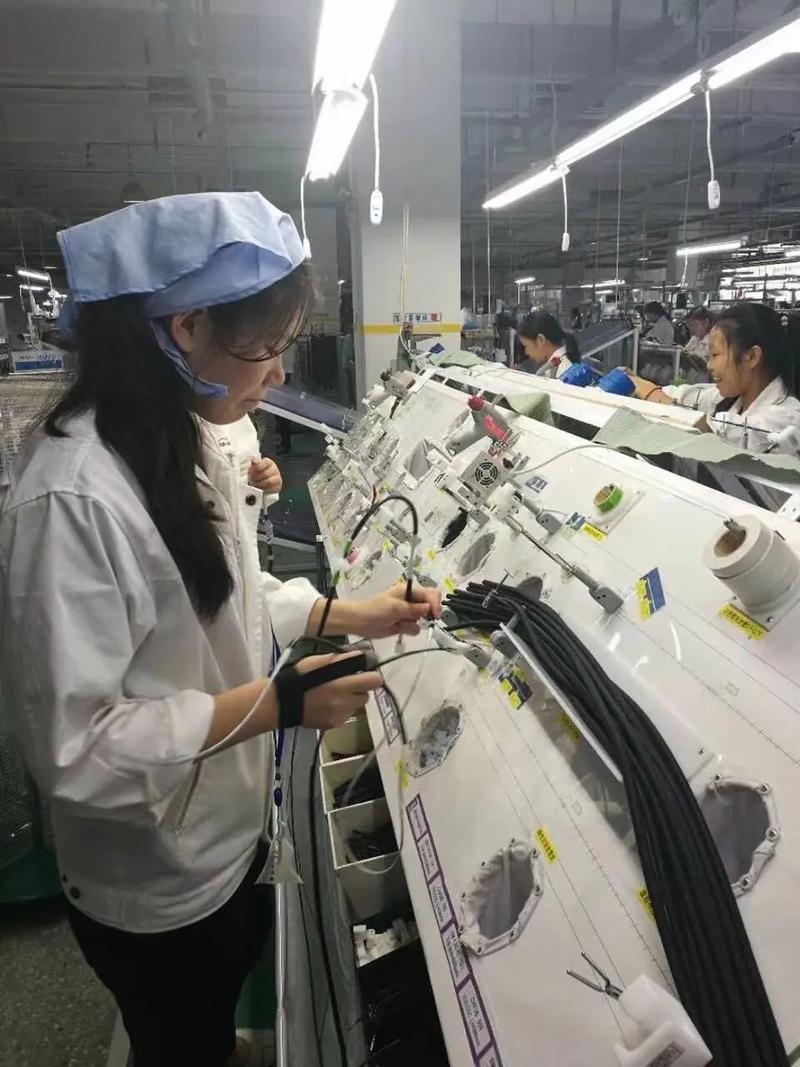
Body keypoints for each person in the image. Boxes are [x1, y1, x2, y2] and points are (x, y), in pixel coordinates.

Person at [0, 192, 441, 1067]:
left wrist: (355, 611)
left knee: (208, 1005)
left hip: (224, 828)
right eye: (265, 346)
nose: (277, 373)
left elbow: (228, 598)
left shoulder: (187, 437)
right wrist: (273, 706)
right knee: (175, 1026)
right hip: (152, 875)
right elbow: (76, 747)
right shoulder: (74, 495)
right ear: (186, 327)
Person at [625, 302, 800, 454]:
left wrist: (653, 394)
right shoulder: (728, 398)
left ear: (751, 357)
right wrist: (637, 384)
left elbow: (719, 437)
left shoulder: (788, 420)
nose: (709, 365)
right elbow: (686, 395)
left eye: (715, 355)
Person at [517, 312, 580, 378]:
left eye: (526, 346)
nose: (526, 352)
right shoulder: (557, 366)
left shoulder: (563, 373)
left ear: (541, 340)